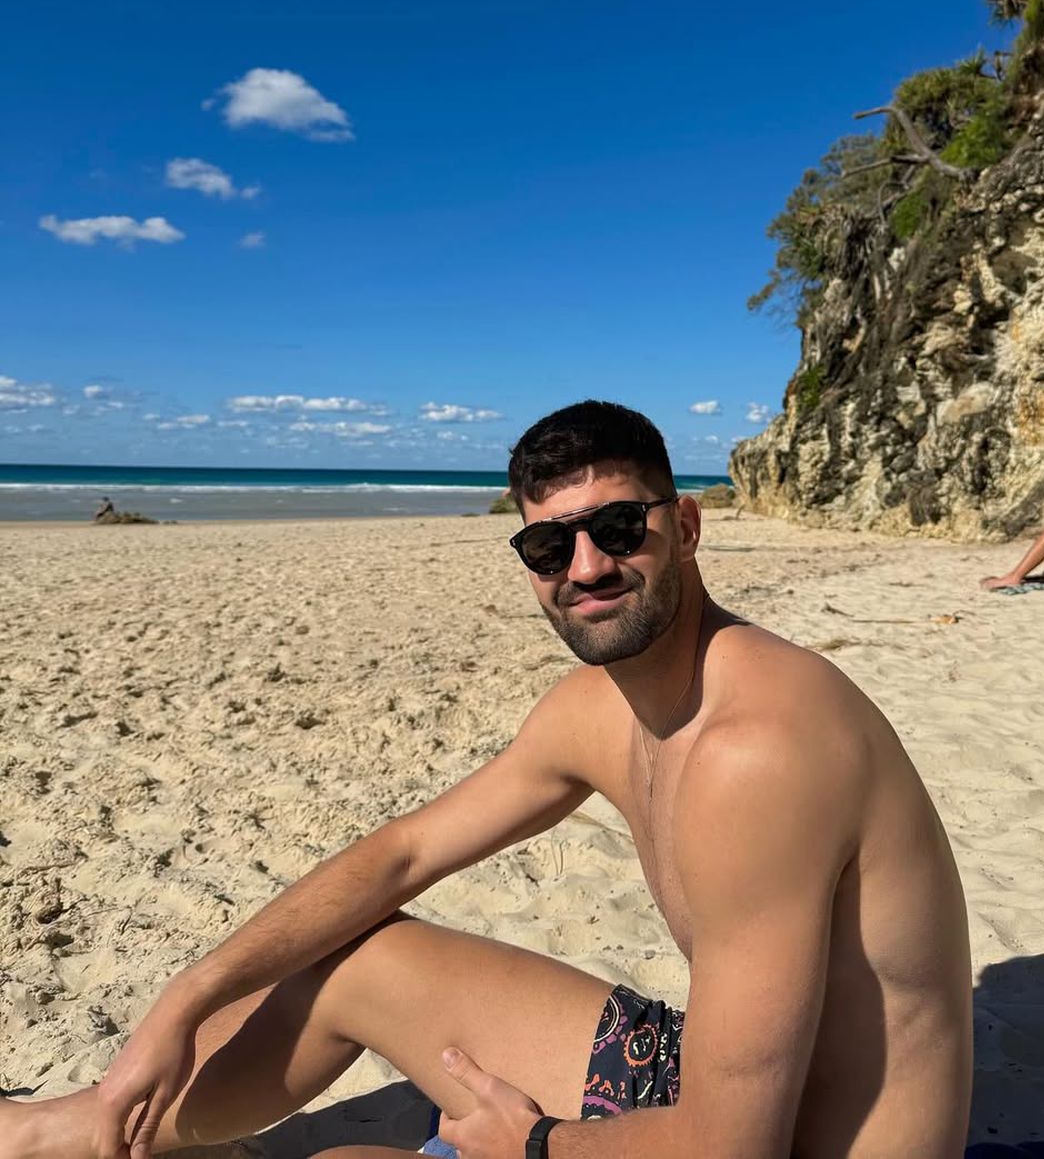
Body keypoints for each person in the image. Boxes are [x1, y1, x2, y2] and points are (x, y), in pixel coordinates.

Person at [2, 401, 973, 1159]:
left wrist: (538, 1143)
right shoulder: (600, 709)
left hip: (789, 1141)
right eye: (549, 545)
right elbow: (404, 853)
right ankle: (72, 1130)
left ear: (683, 526)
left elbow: (731, 1146)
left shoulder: (758, 750)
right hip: (731, 1086)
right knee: (358, 958)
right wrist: (185, 998)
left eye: (618, 528)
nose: (586, 567)